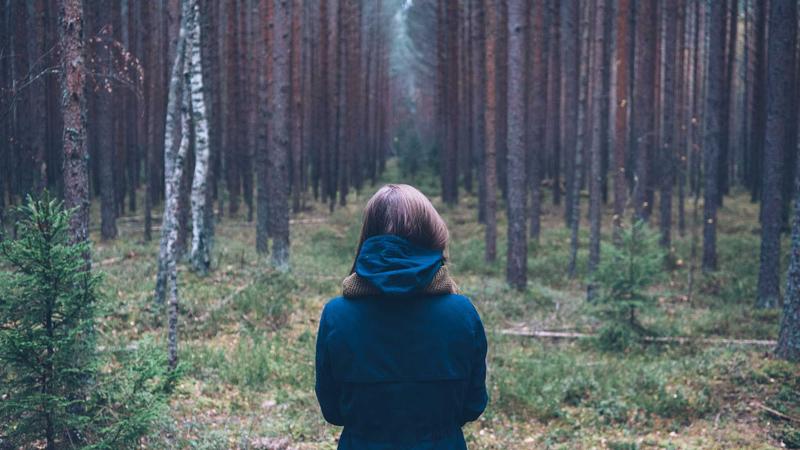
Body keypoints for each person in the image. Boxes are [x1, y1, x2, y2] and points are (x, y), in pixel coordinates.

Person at [315, 184, 488, 450]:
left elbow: (333, 412)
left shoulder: (336, 315)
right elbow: (473, 406)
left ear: (368, 236)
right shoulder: (463, 313)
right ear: (432, 235)